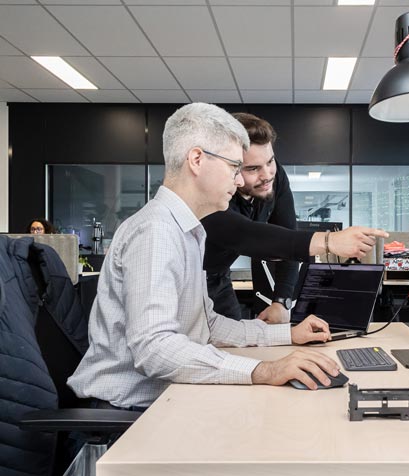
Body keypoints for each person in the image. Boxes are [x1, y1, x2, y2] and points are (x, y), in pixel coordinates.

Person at [67, 103, 341, 411]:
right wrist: (264, 370)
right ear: (197, 160)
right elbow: (155, 350)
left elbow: (207, 327)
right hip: (127, 414)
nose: (239, 182)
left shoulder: (187, 231)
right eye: (234, 168)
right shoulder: (156, 231)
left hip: (165, 399)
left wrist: (285, 334)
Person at [202, 113, 388, 324]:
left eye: (270, 161)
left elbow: (288, 238)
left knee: (234, 344)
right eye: (252, 168)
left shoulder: (273, 176)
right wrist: (329, 241)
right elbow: (245, 236)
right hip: (189, 280)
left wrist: (281, 301)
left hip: (219, 277)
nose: (267, 175)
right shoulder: (211, 192)